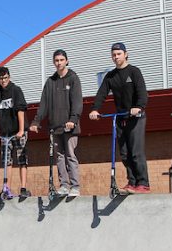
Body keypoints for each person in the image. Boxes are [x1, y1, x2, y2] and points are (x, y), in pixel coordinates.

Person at [88, 42, 149, 194]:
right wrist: (95, 109)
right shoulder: (111, 76)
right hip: (121, 117)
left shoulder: (134, 72)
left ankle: (143, 183)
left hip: (136, 117)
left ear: (125, 54)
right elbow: (102, 94)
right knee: (124, 153)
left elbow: (142, 92)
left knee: (135, 151)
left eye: (118, 54)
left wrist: (139, 106)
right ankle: (132, 182)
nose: (116, 57)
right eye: (113, 55)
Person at [30, 49, 83, 197]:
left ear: (66, 61)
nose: (59, 63)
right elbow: (43, 105)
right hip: (55, 127)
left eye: (61, 60)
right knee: (59, 157)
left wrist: (73, 120)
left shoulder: (73, 78)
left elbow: (77, 102)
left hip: (70, 126)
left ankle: (75, 186)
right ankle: (64, 186)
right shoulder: (50, 82)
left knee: (70, 155)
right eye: (56, 60)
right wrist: (36, 121)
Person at [0, 66, 30, 198]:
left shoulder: (16, 90)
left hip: (18, 131)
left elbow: (20, 110)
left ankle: (23, 188)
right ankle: (6, 189)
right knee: (7, 161)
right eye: (1, 79)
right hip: (5, 133)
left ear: (9, 77)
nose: (3, 81)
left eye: (5, 78)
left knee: (22, 159)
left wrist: (21, 130)